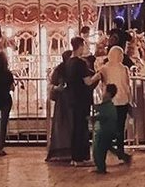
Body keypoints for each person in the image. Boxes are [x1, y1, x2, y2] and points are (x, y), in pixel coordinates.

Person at [91, 46, 132, 163]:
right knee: (120, 128)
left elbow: (95, 78)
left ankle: (109, 152)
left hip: (110, 103)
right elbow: (128, 86)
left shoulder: (104, 68)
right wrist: (130, 100)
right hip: (123, 101)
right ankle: (120, 150)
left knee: (107, 129)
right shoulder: (124, 69)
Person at [64, 36, 99, 164]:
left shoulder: (68, 62)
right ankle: (81, 157)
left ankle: (75, 156)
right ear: (80, 46)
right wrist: (98, 76)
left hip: (72, 98)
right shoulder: (80, 63)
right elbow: (88, 81)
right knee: (82, 127)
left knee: (76, 127)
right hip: (81, 99)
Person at [46, 50, 74, 162]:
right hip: (66, 100)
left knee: (63, 124)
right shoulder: (62, 70)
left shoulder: (60, 69)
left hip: (65, 100)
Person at [92, 83, 119, 174]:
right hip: (108, 131)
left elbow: (103, 116)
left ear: (107, 93)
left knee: (98, 150)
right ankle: (123, 156)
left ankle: (101, 168)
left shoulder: (107, 106)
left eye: (104, 91)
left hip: (104, 132)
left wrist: (93, 117)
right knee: (105, 148)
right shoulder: (110, 106)